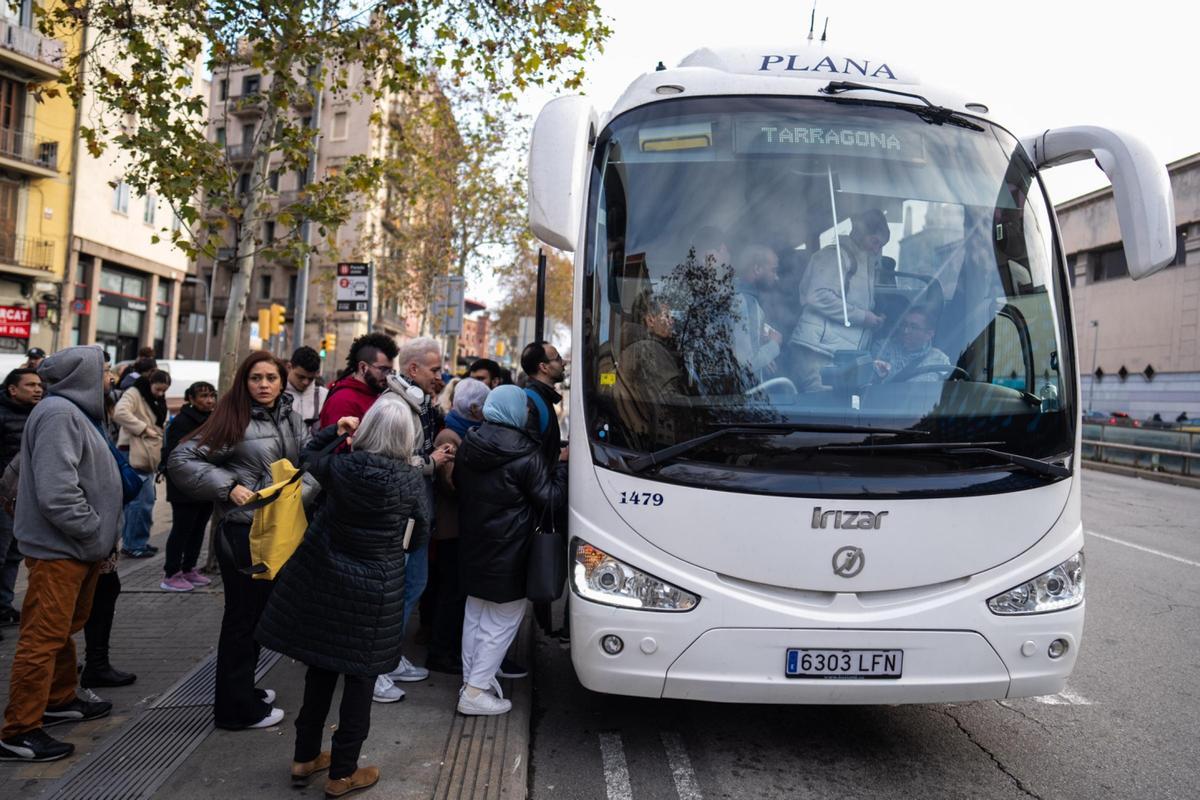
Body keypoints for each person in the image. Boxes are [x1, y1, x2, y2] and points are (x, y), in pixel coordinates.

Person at [257, 397, 429, 798]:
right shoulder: (409, 481)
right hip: (375, 591)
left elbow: (307, 455)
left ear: (366, 430)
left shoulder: (341, 468)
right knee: (360, 681)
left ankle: (304, 756)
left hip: (327, 582)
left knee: (319, 670)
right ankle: (343, 773)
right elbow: (420, 533)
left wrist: (335, 431)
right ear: (407, 436)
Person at [169, 351, 317, 731]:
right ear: (243, 382)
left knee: (255, 620)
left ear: (283, 381)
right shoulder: (232, 420)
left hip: (278, 536)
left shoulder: (291, 418)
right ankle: (235, 710)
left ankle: (243, 691)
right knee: (241, 622)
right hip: (243, 535)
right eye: (255, 378)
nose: (264, 385)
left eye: (270, 377)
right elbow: (182, 460)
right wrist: (229, 487)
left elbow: (308, 465)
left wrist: (299, 493)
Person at [0, 346, 122, 762]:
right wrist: (91, 532)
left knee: (61, 628)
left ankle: (59, 697)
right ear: (82, 377)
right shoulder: (59, 414)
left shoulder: (70, 412)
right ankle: (19, 729)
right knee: (41, 638)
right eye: (103, 370)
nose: (109, 376)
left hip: (77, 549)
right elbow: (57, 493)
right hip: (62, 549)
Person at [453, 386, 567, 715]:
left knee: (475, 615)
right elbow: (551, 500)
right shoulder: (525, 453)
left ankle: (472, 681)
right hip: (511, 549)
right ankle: (474, 692)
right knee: (502, 621)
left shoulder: (470, 442)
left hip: (474, 543)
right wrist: (560, 466)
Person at [376, 337, 450, 694]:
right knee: (393, 592)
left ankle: (389, 657)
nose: (440, 375)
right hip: (398, 517)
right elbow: (387, 464)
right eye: (435, 369)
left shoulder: (418, 405)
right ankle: (374, 670)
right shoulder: (394, 407)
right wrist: (431, 462)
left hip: (415, 516)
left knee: (413, 586)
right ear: (413, 369)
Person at [426, 378, 490, 674]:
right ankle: (441, 652)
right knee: (450, 592)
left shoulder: (464, 431)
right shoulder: (450, 435)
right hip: (451, 528)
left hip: (459, 525)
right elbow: (451, 483)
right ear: (474, 408)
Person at [789, 209, 891, 391]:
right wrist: (864, 317)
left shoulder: (863, 263)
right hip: (817, 351)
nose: (877, 249)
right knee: (822, 406)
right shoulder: (834, 256)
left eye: (881, 245)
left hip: (834, 351)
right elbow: (818, 296)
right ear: (860, 232)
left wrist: (873, 318)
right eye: (874, 241)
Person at [159, 381, 217, 592]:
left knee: (198, 528)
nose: (209, 400)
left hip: (206, 483)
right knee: (182, 530)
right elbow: (178, 455)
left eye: (212, 395)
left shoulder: (212, 418)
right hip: (184, 486)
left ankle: (189, 568)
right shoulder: (183, 422)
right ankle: (171, 573)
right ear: (191, 399)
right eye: (203, 396)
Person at [0, 369, 42, 635]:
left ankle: (4, 605)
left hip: (26, 496)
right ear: (13, 389)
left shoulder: (38, 414)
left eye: (39, 384)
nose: (37, 389)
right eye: (30, 385)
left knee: (15, 553)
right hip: (4, 494)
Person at [112, 369, 171, 558]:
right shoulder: (135, 393)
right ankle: (132, 544)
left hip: (147, 453)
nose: (160, 394)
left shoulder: (154, 399)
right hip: (134, 451)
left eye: (164, 391)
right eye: (158, 390)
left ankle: (138, 541)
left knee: (145, 501)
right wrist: (143, 428)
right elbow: (119, 413)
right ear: (149, 383)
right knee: (140, 501)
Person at [319, 333, 398, 430]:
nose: (388, 376)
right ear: (363, 367)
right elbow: (341, 444)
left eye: (390, 370)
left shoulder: (377, 394)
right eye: (383, 369)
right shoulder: (342, 401)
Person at [730, 243, 783, 387]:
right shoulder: (745, 303)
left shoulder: (730, 296)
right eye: (773, 270)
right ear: (757, 269)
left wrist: (762, 356)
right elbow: (745, 366)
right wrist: (774, 344)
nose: (776, 277)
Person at [872, 306, 951, 382]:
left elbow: (947, 390)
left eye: (914, 327)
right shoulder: (882, 348)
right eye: (904, 325)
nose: (905, 331)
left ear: (929, 334)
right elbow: (870, 382)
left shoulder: (940, 360)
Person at [284, 346, 328, 434]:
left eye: (311, 378)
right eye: (300, 377)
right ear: (289, 367)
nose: (305, 382)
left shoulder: (324, 396)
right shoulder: (275, 393)